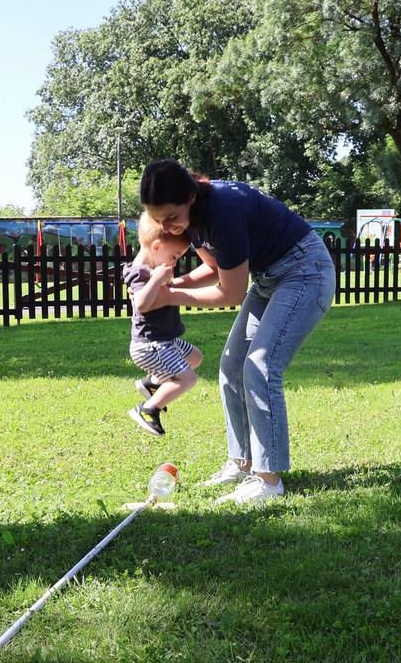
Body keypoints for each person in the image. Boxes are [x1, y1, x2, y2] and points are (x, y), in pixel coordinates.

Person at [139, 159, 335, 504]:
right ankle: (242, 463)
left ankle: (268, 481)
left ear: (190, 196)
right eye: (159, 220)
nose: (167, 228)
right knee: (231, 365)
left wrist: (170, 295)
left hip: (305, 272)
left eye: (171, 217)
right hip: (269, 277)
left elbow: (230, 292)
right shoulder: (192, 220)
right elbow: (216, 268)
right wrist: (171, 285)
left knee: (260, 366)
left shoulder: (224, 210)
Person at [124, 212, 203, 436]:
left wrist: (162, 280)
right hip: (151, 345)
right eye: (175, 256)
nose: (175, 262)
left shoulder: (150, 269)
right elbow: (141, 303)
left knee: (195, 357)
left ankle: (152, 383)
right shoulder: (140, 273)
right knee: (187, 379)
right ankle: (148, 409)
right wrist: (157, 279)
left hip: (165, 341)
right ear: (157, 246)